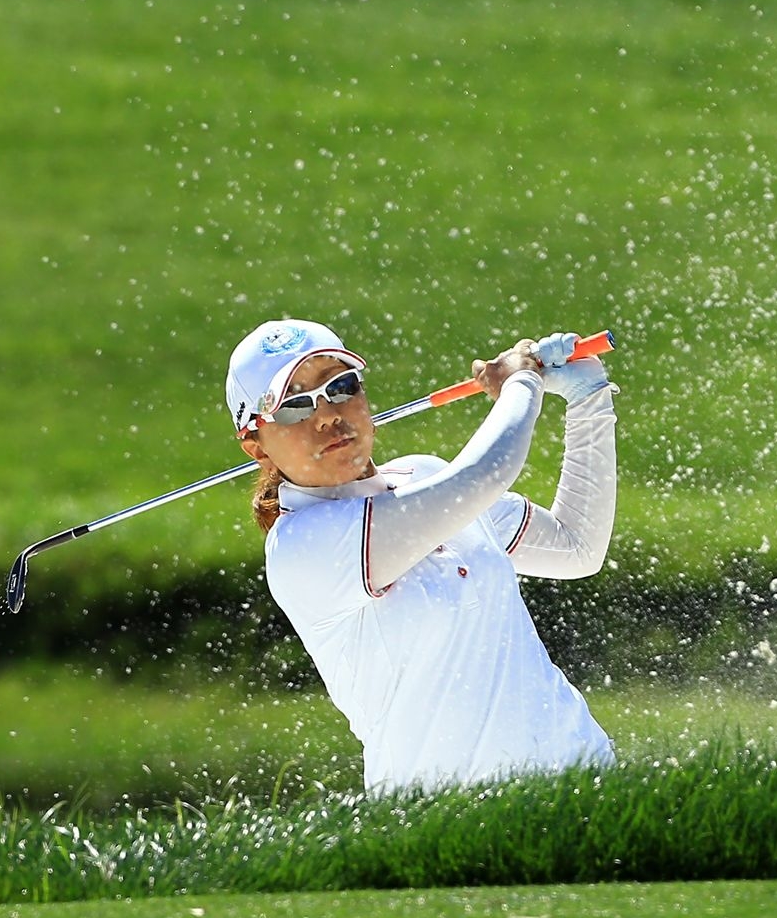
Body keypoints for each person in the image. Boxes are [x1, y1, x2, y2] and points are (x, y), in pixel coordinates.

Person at [226, 316, 618, 790]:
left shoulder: (425, 475)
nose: (327, 414)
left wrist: (588, 400)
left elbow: (577, 547)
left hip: (590, 781)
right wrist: (521, 382)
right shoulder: (300, 547)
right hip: (449, 822)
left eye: (341, 386)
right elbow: (483, 475)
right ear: (254, 443)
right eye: (293, 406)